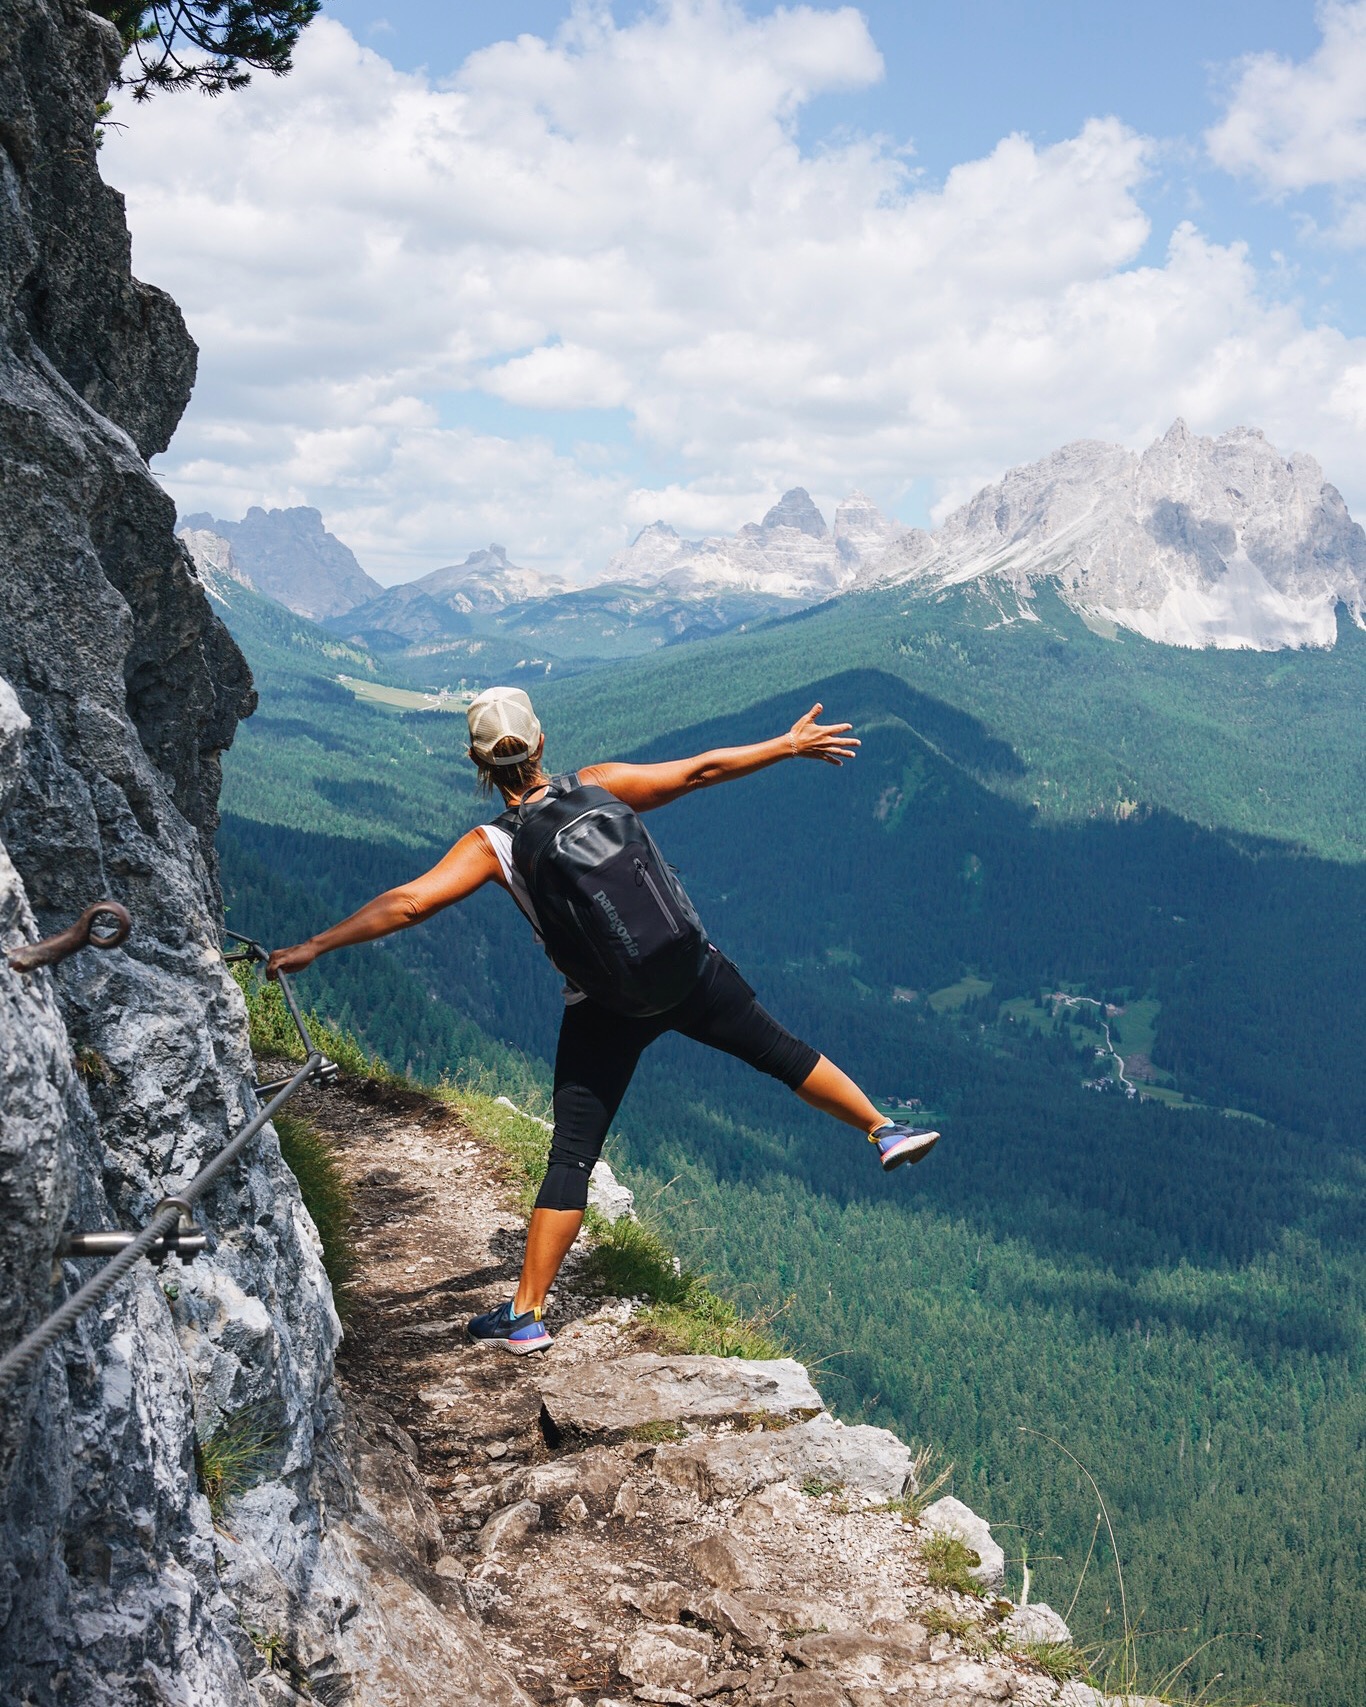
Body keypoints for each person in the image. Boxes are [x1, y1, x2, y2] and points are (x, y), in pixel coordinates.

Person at [267, 686, 940, 1353]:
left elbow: (411, 902)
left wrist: (315, 945)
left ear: (477, 762)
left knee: (572, 1153)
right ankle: (882, 1128)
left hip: (605, 1006)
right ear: (542, 741)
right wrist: (787, 745)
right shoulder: (598, 784)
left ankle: (526, 1314)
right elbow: (700, 771)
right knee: (782, 1052)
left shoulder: (493, 843)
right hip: (688, 971)